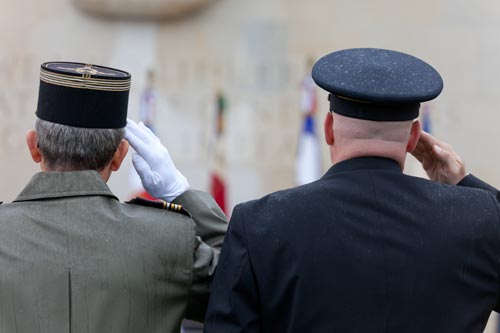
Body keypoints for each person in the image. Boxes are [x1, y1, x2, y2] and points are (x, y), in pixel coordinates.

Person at [204, 48, 500, 332]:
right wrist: (465, 184)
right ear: (412, 138)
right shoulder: (477, 219)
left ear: (328, 128)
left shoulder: (258, 224)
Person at [0, 62, 227, 332]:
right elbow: (246, 283)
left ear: (33, 146)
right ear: (120, 156)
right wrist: (180, 192)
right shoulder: (169, 239)